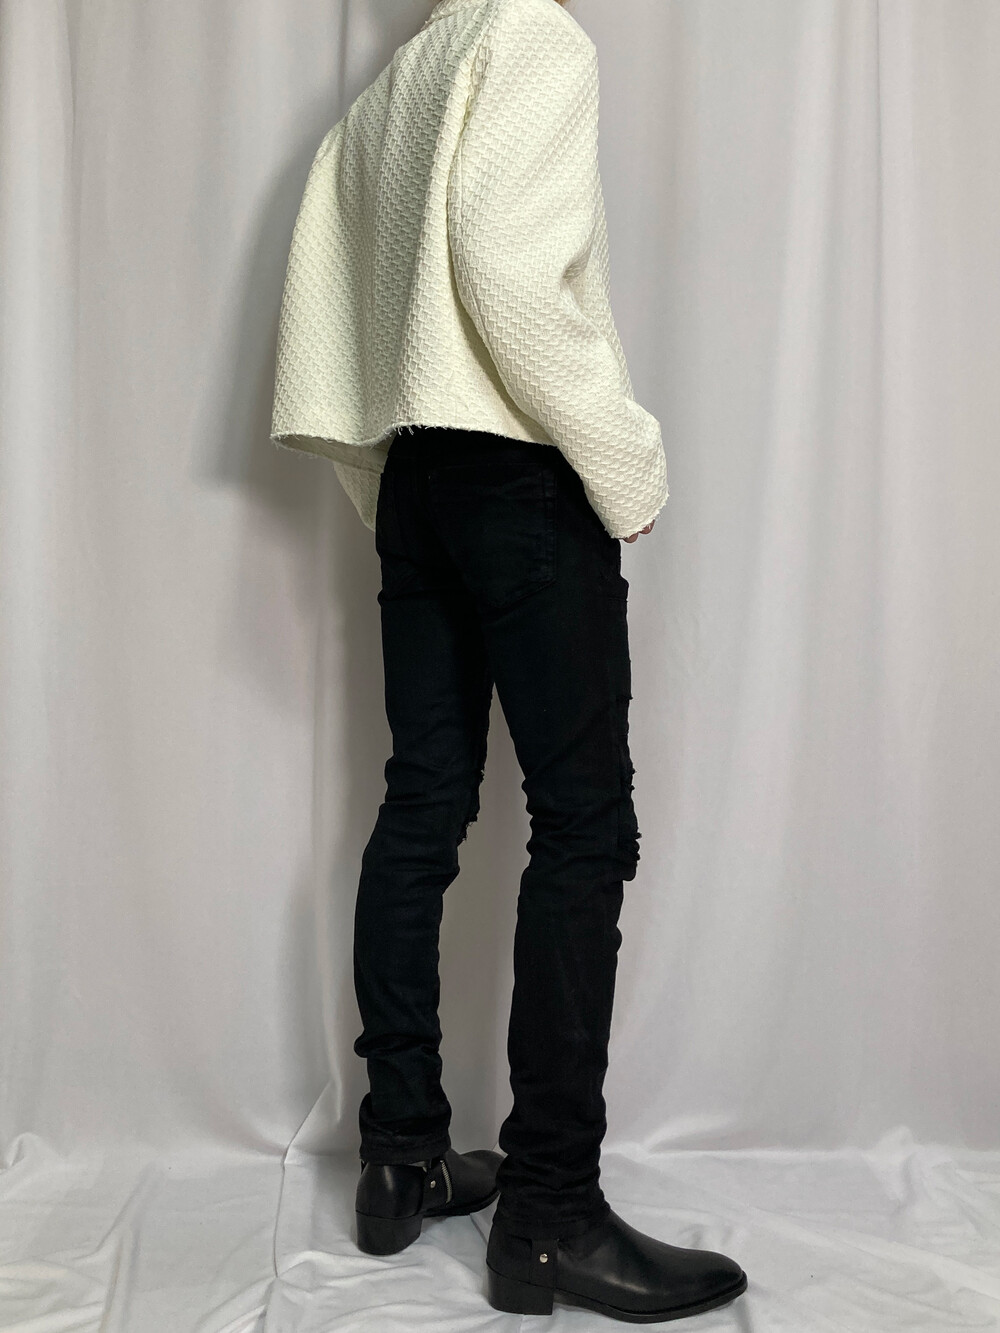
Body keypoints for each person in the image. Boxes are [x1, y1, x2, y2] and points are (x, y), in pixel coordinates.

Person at [270, 0, 747, 1321]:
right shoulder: (533, 35)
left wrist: (390, 480)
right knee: (583, 824)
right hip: (517, 472)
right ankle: (548, 1213)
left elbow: (330, 302)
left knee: (423, 801)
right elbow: (506, 269)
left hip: (418, 475)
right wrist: (624, 457)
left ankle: (401, 1156)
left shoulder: (398, 80)